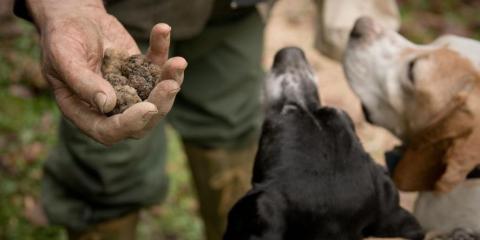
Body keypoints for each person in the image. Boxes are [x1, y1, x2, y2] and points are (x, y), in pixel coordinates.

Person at [13, 0, 400, 240]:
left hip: (233, 10)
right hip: (117, 11)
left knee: (231, 132)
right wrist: (63, 6)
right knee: (106, 169)